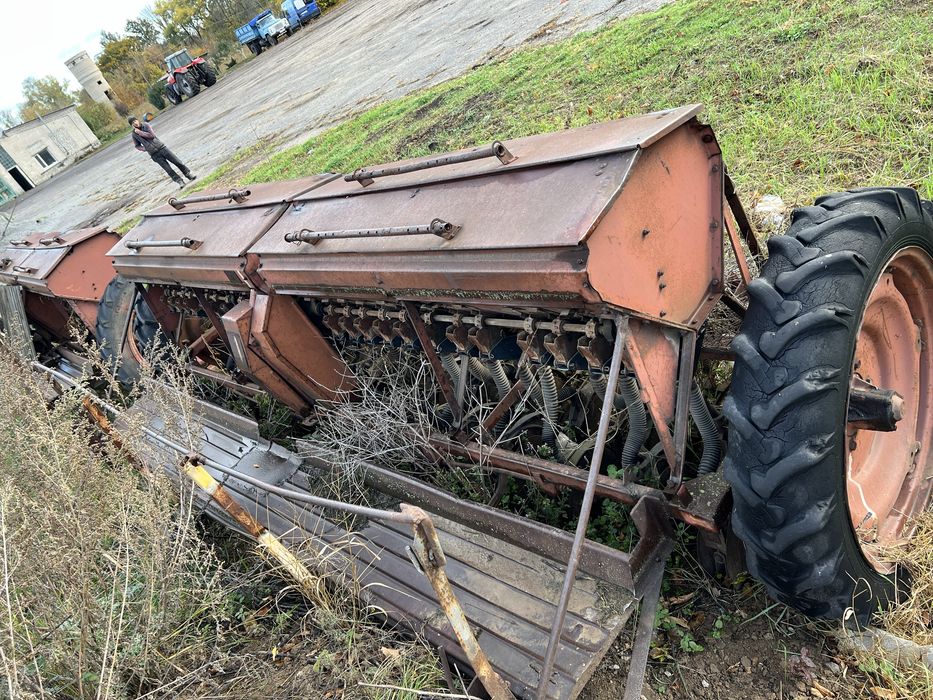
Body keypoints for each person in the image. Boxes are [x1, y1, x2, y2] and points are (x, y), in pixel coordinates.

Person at [129, 116, 197, 188]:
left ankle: (188, 174)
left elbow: (152, 136)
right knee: (168, 169)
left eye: (135, 121)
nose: (135, 123)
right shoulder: (134, 134)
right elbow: (137, 146)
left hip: (162, 148)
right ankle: (179, 181)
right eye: (132, 123)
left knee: (177, 162)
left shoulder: (146, 125)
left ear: (138, 120)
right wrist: (145, 148)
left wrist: (140, 132)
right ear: (131, 125)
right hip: (154, 154)